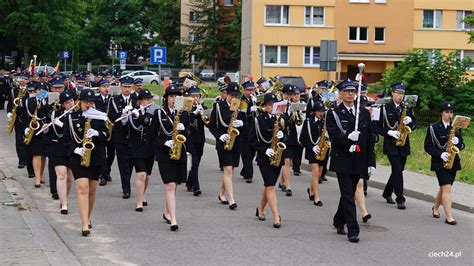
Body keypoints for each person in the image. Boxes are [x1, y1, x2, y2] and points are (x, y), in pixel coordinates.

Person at [326, 79, 376, 243]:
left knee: (349, 194)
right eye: (347, 91)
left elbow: (369, 140)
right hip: (342, 160)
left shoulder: (363, 113)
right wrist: (347, 137)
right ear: (340, 94)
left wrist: (371, 163)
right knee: (348, 195)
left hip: (359, 159)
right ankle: (352, 230)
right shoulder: (334, 114)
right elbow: (333, 136)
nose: (350, 94)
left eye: (353, 91)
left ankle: (338, 220)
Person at [64, 89, 108, 236]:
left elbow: (107, 135)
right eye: (85, 102)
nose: (88, 105)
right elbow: (65, 139)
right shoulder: (72, 117)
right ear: (79, 101)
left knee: (92, 190)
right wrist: (75, 150)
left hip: (95, 157)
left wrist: (97, 133)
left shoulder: (99, 116)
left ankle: (87, 217)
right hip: (78, 157)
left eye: (91, 102)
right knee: (82, 188)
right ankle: (84, 224)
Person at [154, 85, 189, 231]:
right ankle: (174, 219)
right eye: (171, 96)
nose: (174, 99)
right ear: (166, 98)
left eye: (176, 96)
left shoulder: (183, 113)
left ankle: (167, 211)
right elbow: (152, 136)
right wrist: (164, 142)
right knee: (170, 185)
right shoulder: (159, 113)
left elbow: (188, 135)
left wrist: (184, 129)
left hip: (178, 152)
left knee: (174, 184)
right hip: (164, 154)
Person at [424, 102, 465, 225]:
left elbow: (462, 145)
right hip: (439, 162)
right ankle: (449, 217)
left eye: (451, 112)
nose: (449, 114)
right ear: (441, 113)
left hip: (453, 161)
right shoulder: (434, 128)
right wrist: (440, 154)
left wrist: (458, 142)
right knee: (447, 187)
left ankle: (435, 208)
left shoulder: (455, 127)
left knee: (444, 188)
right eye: (447, 112)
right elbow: (428, 146)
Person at [377, 82, 416, 209]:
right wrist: (389, 132)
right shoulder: (383, 108)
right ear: (392, 93)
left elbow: (414, 124)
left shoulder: (407, 108)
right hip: (391, 144)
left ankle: (387, 192)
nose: (400, 96)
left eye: (402, 93)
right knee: (398, 170)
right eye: (398, 93)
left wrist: (410, 122)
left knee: (398, 170)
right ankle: (400, 198)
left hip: (404, 144)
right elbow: (376, 127)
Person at [249, 93, 284, 228]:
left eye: (274, 105)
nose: (272, 107)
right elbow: (252, 140)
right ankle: (276, 216)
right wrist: (264, 150)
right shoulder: (258, 120)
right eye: (270, 105)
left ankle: (260, 209)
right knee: (270, 186)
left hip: (277, 156)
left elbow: (288, 137)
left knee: (268, 185)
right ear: (264, 107)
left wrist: (283, 135)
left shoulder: (281, 119)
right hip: (264, 158)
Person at [208, 82, 246, 210]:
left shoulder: (240, 106)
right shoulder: (218, 106)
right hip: (223, 142)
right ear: (226, 94)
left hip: (236, 141)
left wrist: (242, 123)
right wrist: (219, 136)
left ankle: (221, 194)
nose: (234, 97)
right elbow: (212, 125)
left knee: (230, 171)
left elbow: (248, 124)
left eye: (236, 95)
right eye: (231, 95)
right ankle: (231, 200)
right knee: (228, 170)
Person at [128, 89, 156, 212]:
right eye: (146, 99)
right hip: (137, 147)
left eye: (150, 99)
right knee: (141, 174)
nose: (149, 101)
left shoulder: (154, 112)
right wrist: (124, 116)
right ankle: (138, 202)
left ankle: (142, 194)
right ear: (140, 101)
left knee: (147, 176)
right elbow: (130, 127)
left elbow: (150, 125)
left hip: (149, 146)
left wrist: (140, 116)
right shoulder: (132, 112)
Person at [48, 91, 76, 214]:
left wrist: (62, 124)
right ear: (63, 104)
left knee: (69, 178)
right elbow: (51, 133)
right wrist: (46, 129)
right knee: (61, 175)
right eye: (67, 102)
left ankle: (64, 197)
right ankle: (64, 204)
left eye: (71, 101)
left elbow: (75, 130)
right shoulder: (56, 114)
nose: (70, 104)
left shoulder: (77, 114)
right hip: (58, 147)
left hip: (71, 147)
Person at [108, 76, 135, 199]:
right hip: (120, 136)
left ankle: (127, 182)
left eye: (129, 87)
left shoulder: (136, 100)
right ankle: (126, 189)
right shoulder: (115, 100)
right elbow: (112, 117)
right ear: (120, 87)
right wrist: (122, 113)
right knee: (123, 163)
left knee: (130, 164)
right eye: (124, 87)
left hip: (133, 136)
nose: (127, 89)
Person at [20, 81, 49, 188]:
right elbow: (25, 115)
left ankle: (41, 175)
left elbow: (49, 114)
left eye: (44, 91)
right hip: (35, 130)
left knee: (43, 155)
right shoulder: (29, 101)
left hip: (46, 129)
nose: (41, 93)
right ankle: (37, 178)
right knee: (36, 154)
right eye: (39, 91)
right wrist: (26, 128)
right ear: (36, 91)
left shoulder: (49, 101)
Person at [299, 101, 325, 206]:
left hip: (322, 151)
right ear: (314, 112)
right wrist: (312, 147)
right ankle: (316, 197)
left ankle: (311, 190)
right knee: (315, 172)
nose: (321, 113)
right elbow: (302, 139)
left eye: (322, 111)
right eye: (319, 111)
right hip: (312, 151)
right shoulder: (308, 122)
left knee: (318, 174)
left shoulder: (325, 122)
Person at [185, 85, 206, 196]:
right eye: (193, 96)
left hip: (200, 138)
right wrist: (194, 113)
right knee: (194, 163)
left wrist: (203, 114)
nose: (195, 98)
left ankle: (189, 182)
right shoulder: (186, 107)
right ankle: (196, 187)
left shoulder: (202, 106)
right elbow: (186, 121)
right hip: (190, 138)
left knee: (197, 162)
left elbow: (207, 122)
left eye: (197, 96)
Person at [94, 78, 115, 186]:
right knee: (102, 154)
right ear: (99, 88)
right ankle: (103, 175)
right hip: (100, 128)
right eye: (103, 86)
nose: (106, 88)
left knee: (111, 154)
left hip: (111, 128)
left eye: (107, 86)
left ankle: (107, 171)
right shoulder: (95, 99)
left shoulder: (113, 99)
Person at [278, 84, 298, 196]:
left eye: (291, 95)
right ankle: (288, 186)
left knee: (289, 162)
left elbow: (296, 121)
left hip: (292, 136)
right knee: (286, 161)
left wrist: (296, 114)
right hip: (283, 135)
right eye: (287, 94)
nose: (289, 96)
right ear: (283, 94)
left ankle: (281, 182)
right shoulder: (279, 105)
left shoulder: (294, 105)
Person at [239, 80, 258, 183]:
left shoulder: (253, 99)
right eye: (248, 90)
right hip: (244, 130)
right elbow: (243, 113)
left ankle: (244, 171)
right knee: (246, 154)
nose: (250, 92)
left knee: (252, 152)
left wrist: (256, 103)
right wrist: (251, 108)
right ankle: (249, 176)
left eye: (252, 90)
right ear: (244, 90)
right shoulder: (242, 100)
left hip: (252, 130)